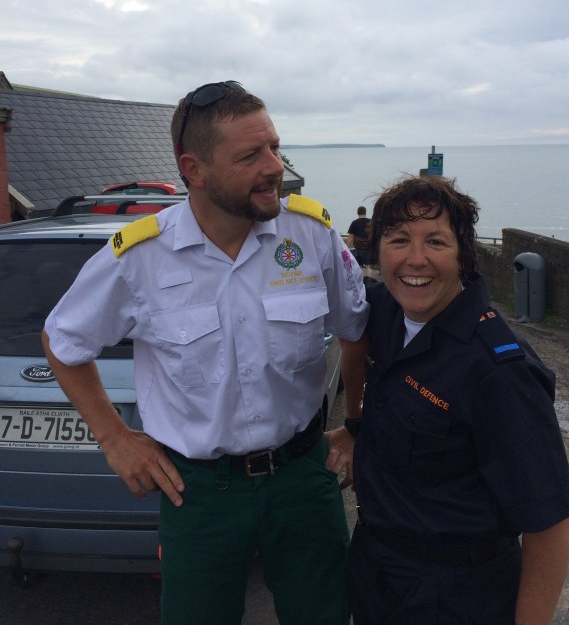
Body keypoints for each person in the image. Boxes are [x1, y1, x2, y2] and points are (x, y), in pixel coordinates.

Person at [42, 80, 368, 625]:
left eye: (274, 147)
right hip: (197, 492)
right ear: (194, 169)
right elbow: (62, 341)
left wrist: (357, 424)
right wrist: (114, 437)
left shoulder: (309, 234)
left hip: (302, 478)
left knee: (325, 615)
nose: (275, 167)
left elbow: (356, 329)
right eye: (250, 155)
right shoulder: (141, 256)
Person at [326, 175, 569, 625]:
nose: (415, 259)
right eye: (399, 239)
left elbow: (548, 523)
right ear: (377, 251)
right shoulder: (388, 312)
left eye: (436, 242)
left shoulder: (500, 371)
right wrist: (355, 426)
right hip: (376, 570)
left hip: (457, 594)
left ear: (463, 254)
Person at [346, 206, 372, 274]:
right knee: (368, 266)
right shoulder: (371, 222)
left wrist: (346, 248)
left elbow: (350, 237)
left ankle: (360, 280)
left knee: (358, 267)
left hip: (358, 248)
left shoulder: (354, 223)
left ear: (358, 213)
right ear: (365, 212)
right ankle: (368, 280)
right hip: (369, 249)